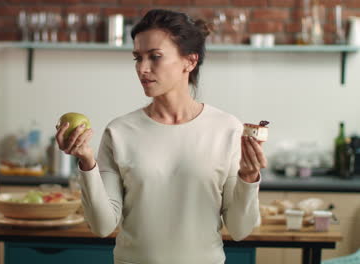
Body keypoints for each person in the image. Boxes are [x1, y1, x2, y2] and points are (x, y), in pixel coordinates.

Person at [56, 9, 267, 264]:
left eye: (155, 57)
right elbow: (101, 226)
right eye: (137, 58)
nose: (142, 69)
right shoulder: (120, 131)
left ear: (189, 61)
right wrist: (87, 163)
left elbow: (239, 229)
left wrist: (248, 177)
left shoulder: (227, 129)